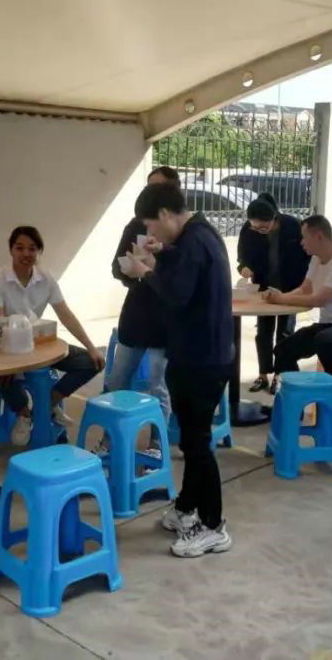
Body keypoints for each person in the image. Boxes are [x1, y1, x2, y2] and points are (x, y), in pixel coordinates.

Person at [120, 183, 233, 559]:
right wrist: (161, 253)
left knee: (198, 443)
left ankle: (214, 526)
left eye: (151, 225)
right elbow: (185, 272)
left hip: (202, 358)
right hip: (199, 353)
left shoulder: (194, 243)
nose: (150, 233)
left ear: (166, 214)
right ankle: (186, 507)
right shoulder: (198, 235)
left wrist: (145, 271)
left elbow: (176, 296)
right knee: (191, 439)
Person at [0, 226, 105, 446]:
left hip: (39, 343)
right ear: (11, 250)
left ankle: (46, 405)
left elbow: (65, 314)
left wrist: (91, 347)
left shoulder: (45, 278)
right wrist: (9, 360)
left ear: (39, 252)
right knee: (1, 374)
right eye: (20, 248)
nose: (26, 254)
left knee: (91, 362)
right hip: (8, 346)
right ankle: (24, 414)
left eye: (32, 249)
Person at [103, 165, 182, 460]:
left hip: (166, 321)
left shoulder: (182, 233)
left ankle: (156, 447)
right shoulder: (135, 225)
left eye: (157, 188)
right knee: (116, 381)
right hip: (137, 315)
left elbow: (180, 281)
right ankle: (110, 442)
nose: (150, 194)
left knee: (158, 386)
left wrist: (156, 265)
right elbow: (116, 266)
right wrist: (131, 272)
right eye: (148, 187)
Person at [266, 214, 332, 386]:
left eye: (304, 237)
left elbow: (318, 300)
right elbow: (304, 289)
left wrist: (281, 298)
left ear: (319, 237)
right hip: (328, 326)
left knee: (325, 341)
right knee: (283, 350)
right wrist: (280, 297)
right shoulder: (316, 260)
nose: (302, 242)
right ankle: (298, 392)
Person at [237, 193, 308, 394]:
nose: (258, 230)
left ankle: (280, 374)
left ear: (273, 218)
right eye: (255, 227)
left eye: (263, 227)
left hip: (290, 288)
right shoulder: (248, 230)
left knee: (285, 333)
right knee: (263, 332)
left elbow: (306, 256)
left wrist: (303, 286)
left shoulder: (293, 227)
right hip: (263, 289)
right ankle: (263, 374)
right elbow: (242, 257)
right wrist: (244, 269)